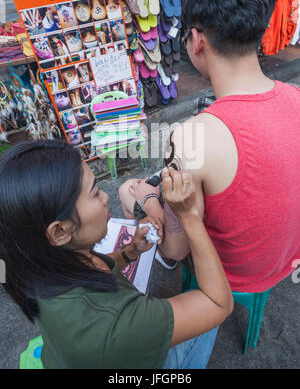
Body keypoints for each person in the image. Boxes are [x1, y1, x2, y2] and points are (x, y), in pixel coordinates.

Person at [119, 0, 300, 294]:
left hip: (230, 278)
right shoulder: (296, 95)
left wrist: (147, 200)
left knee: (130, 192)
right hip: (285, 257)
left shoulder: (191, 137)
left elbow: (176, 249)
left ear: (197, 40)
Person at [0, 140, 233, 369]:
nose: (104, 198)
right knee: (203, 310)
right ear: (59, 231)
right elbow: (218, 303)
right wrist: (189, 215)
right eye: (95, 192)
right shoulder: (115, 325)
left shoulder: (35, 266)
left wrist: (131, 251)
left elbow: (95, 265)